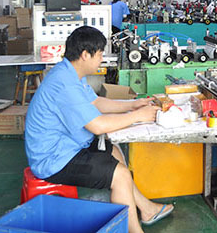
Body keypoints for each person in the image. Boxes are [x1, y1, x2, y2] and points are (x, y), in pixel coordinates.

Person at [25, 26, 173, 233]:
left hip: (67, 145)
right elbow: (97, 125)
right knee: (120, 175)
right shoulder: (64, 84)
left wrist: (133, 105)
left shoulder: (71, 73)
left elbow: (95, 103)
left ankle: (146, 209)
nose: (102, 59)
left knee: (114, 151)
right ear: (85, 55)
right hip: (53, 159)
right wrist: (138, 116)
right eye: (100, 54)